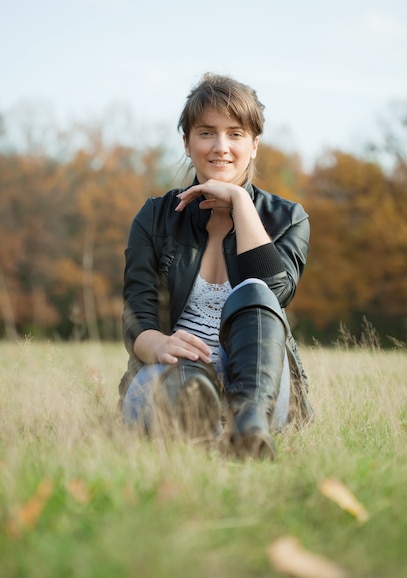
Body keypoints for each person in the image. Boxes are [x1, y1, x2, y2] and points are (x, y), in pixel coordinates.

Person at [119, 73, 313, 459]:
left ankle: (248, 427)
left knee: (254, 291)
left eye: (236, 134)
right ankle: (199, 423)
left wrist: (241, 204)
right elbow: (136, 316)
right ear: (187, 142)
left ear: (254, 145)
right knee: (185, 378)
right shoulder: (155, 217)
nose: (220, 147)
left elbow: (275, 295)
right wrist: (161, 345)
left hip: (261, 390)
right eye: (206, 132)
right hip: (173, 374)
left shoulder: (287, 218)